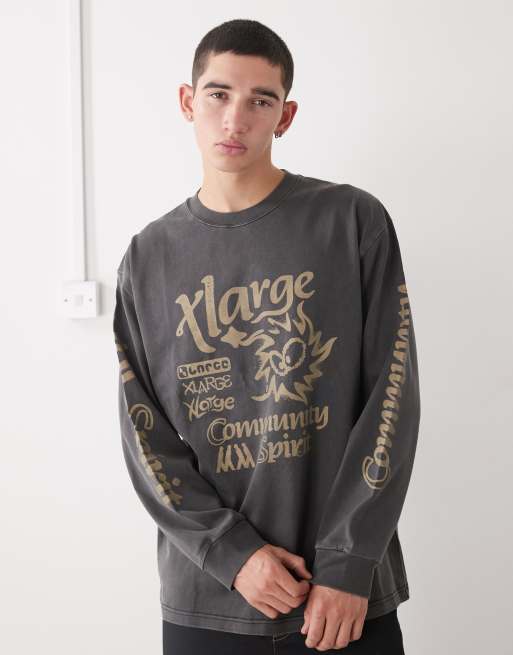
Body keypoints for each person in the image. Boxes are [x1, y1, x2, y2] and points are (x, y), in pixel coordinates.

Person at [113, 18, 421, 654]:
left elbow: (391, 401)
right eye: (218, 94)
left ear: (286, 116)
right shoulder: (147, 258)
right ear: (187, 101)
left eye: (261, 100)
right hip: (211, 598)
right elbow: (146, 440)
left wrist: (347, 563)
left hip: (342, 597)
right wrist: (233, 554)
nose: (236, 119)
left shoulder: (350, 221)